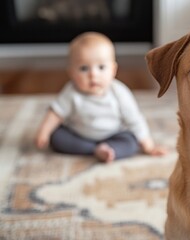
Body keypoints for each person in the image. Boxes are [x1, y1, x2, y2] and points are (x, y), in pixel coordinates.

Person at [36, 32, 166, 163]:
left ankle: (110, 149)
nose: (93, 74)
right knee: (57, 137)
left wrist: (148, 146)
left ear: (113, 70)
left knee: (131, 142)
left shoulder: (119, 92)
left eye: (101, 67)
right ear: (71, 72)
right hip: (80, 136)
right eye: (84, 68)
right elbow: (55, 113)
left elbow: (134, 120)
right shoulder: (71, 92)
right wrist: (44, 132)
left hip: (114, 135)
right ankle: (94, 149)